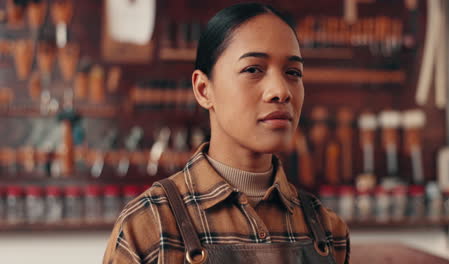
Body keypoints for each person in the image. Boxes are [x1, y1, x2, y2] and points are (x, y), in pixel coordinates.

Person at [104, 3, 350, 263]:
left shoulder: (327, 229)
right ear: (203, 90)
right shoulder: (149, 225)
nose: (281, 91)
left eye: (293, 72)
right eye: (253, 69)